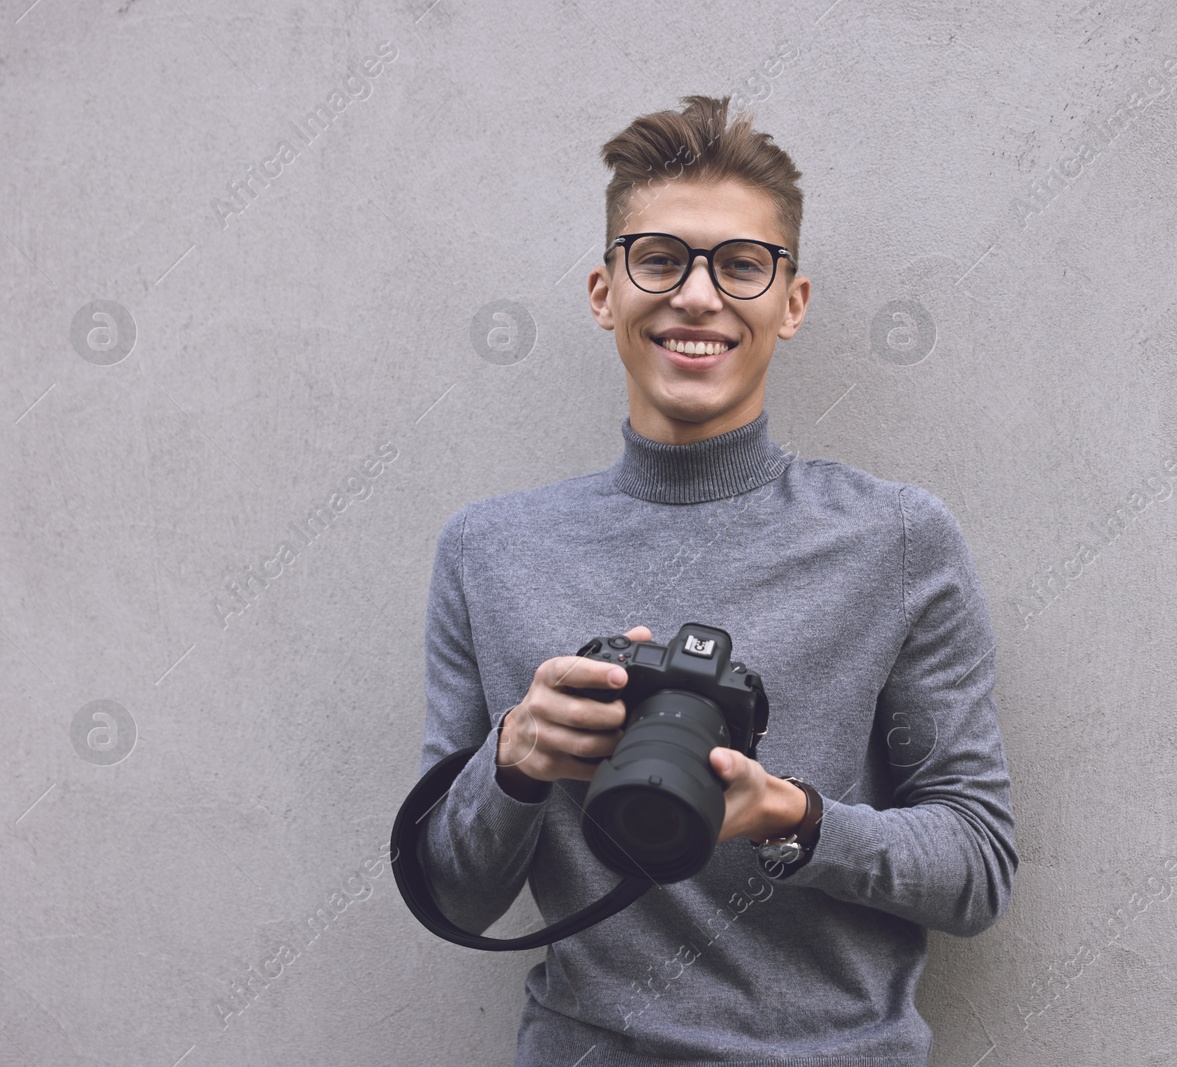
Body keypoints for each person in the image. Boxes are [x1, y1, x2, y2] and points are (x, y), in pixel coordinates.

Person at [416, 93, 1017, 1066]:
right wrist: (513, 760)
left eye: (741, 263)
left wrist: (793, 819)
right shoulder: (491, 551)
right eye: (658, 257)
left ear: (792, 301)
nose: (697, 296)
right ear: (604, 288)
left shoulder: (895, 540)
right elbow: (448, 893)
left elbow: (978, 867)